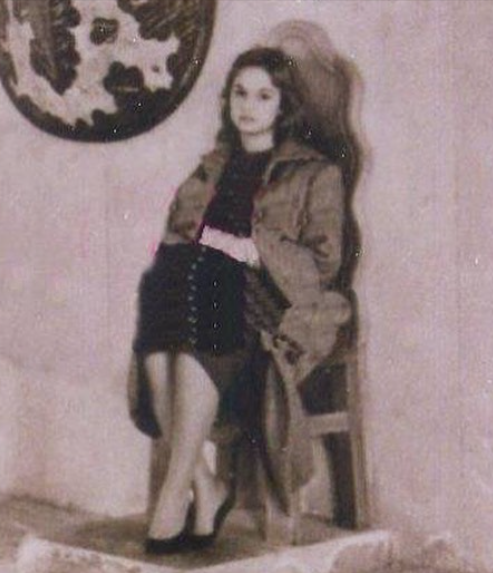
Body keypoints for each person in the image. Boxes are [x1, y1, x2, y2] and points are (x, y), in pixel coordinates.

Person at [128, 46, 353, 554]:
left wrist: (252, 250)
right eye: (240, 94)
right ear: (228, 100)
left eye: (263, 96)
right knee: (160, 301)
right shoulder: (213, 165)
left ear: (283, 105)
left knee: (205, 284)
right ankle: (204, 487)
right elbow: (176, 234)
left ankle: (175, 497)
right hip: (204, 297)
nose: (248, 106)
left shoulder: (316, 174)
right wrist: (190, 247)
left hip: (272, 305)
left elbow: (323, 266)